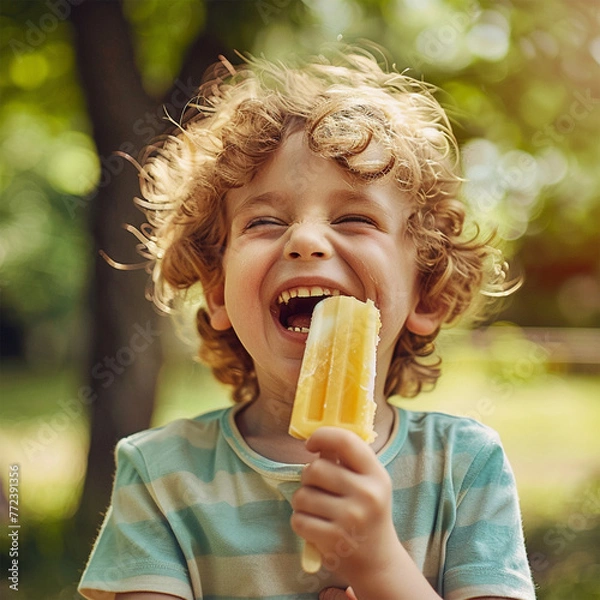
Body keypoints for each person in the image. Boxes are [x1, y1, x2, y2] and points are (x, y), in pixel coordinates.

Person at [78, 44, 536, 600]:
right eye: (265, 221)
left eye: (354, 217)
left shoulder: (464, 467)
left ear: (427, 295)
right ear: (218, 291)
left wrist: (380, 567)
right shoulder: (158, 476)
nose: (307, 241)